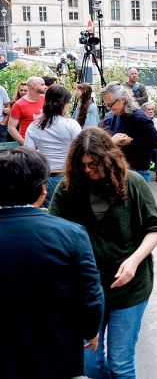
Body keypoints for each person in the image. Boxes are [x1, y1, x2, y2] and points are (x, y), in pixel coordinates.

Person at [49, 128, 157, 379]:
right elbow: (54, 232)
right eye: (81, 165)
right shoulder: (68, 188)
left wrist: (134, 260)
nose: (88, 170)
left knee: (120, 365)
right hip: (87, 290)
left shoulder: (133, 183)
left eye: (94, 164)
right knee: (89, 366)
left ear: (109, 158)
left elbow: (156, 229)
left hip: (130, 287)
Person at [0, 148, 104, 379]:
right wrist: (90, 329)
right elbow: (91, 293)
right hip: (58, 354)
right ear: (42, 190)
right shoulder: (72, 234)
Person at [23, 85, 82, 207]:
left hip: (44, 179)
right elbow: (81, 150)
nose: (69, 105)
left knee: (48, 215)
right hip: (69, 177)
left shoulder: (34, 126)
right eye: (68, 102)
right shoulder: (71, 124)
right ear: (63, 103)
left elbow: (29, 155)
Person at [101, 82, 157, 182]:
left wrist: (131, 141)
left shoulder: (139, 118)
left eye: (110, 105)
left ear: (122, 100)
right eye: (107, 105)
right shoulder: (117, 114)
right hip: (121, 168)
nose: (109, 108)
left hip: (138, 171)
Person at [7, 76, 46, 144]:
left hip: (44, 140)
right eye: (42, 84)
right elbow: (11, 128)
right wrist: (25, 144)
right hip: (28, 140)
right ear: (34, 86)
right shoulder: (19, 104)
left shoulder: (45, 99)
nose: (45, 86)